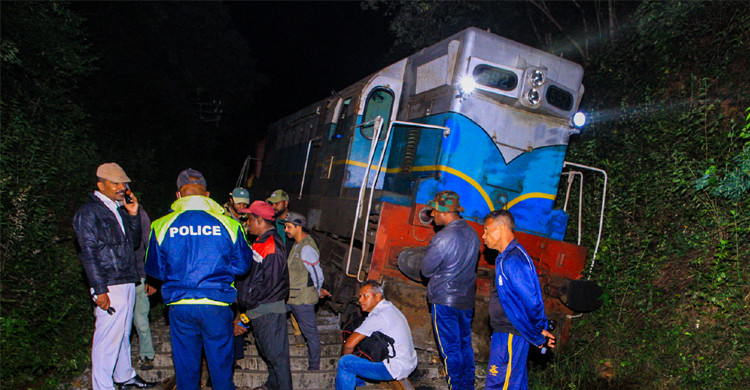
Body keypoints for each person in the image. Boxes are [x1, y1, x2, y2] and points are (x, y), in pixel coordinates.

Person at [145, 169, 252, 390]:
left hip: (180, 304)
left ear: (178, 195)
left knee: (186, 371)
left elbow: (155, 270)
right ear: (207, 195)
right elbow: (242, 266)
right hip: (216, 305)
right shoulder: (230, 225)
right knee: (221, 371)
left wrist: (179, 274)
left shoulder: (160, 225)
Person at [72, 162, 156, 390]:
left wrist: (133, 214)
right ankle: (102, 386)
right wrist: (99, 288)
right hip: (110, 282)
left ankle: (125, 376)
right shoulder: (89, 212)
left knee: (123, 333)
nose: (122, 187)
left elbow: (134, 243)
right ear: (101, 185)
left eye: (124, 183)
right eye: (116, 183)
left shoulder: (117, 209)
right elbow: (88, 253)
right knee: (107, 338)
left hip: (127, 278)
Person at [482, 210, 556, 390]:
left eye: (487, 230)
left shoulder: (512, 260)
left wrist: (538, 331)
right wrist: (539, 330)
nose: (483, 236)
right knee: (514, 384)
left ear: (500, 228)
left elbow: (532, 300)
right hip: (509, 332)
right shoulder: (506, 257)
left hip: (510, 334)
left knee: (499, 385)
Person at [420, 190, 480, 390]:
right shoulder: (472, 234)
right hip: (466, 300)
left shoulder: (443, 238)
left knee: (450, 349)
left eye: (434, 211)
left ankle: (456, 386)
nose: (432, 215)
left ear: (444, 212)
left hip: (445, 301)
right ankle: (467, 385)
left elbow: (426, 269)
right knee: (464, 345)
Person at [235, 200, 292, 390]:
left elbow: (272, 285)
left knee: (278, 358)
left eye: (249, 218)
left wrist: (248, 305)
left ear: (259, 220)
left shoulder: (272, 245)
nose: (247, 222)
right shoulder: (261, 242)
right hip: (260, 309)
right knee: (269, 353)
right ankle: (272, 384)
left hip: (267, 310)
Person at [336, 280, 418, 390]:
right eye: (360, 296)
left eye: (365, 296)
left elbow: (349, 345)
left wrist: (345, 357)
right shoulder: (389, 308)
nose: (360, 300)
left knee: (345, 363)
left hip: (395, 367)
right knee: (358, 355)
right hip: (409, 362)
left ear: (378, 296)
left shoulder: (379, 316)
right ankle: (360, 384)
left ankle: (356, 382)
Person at [281, 211, 330, 371]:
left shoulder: (306, 247)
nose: (286, 230)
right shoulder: (297, 244)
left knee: (311, 334)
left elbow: (317, 273)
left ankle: (314, 367)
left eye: (288, 227)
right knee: (273, 314)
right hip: (292, 297)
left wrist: (317, 290)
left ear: (298, 227)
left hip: (303, 299)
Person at [133, 206, 157, 370]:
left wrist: (152, 278)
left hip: (138, 274)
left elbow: (150, 245)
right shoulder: (101, 211)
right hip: (114, 280)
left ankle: (147, 355)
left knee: (140, 318)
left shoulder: (138, 212)